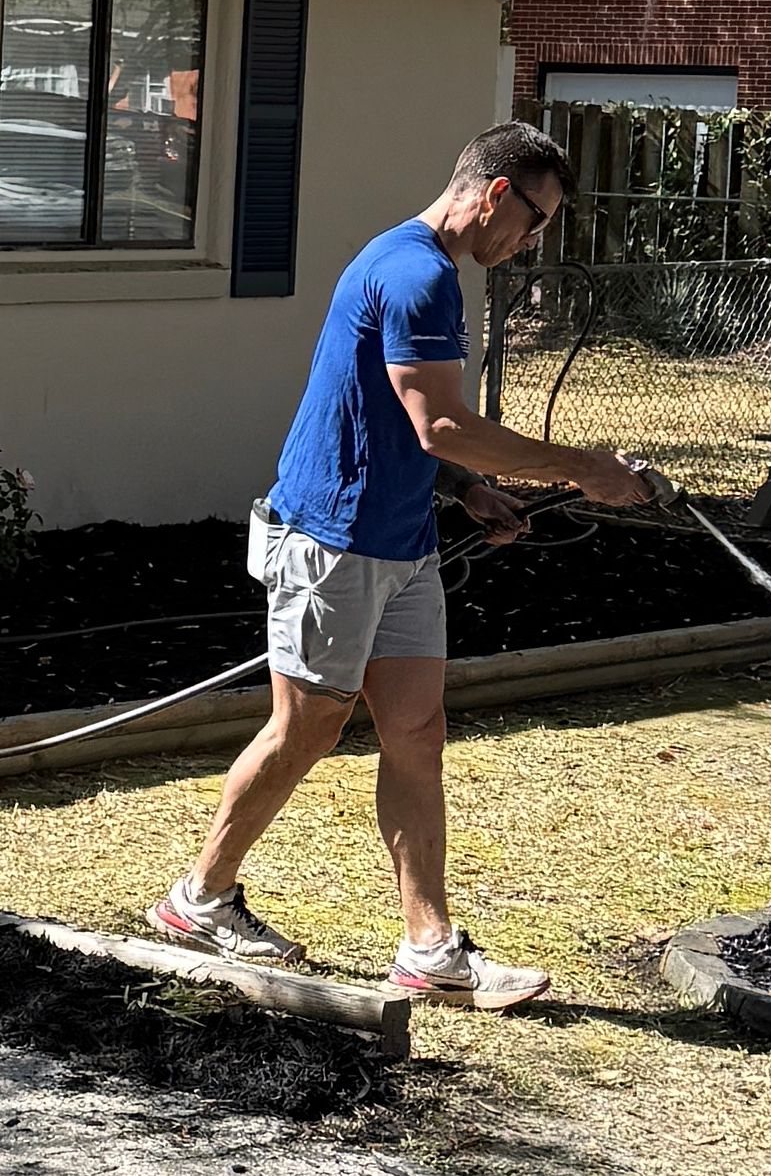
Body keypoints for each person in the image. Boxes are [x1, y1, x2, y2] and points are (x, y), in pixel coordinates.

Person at [150, 118, 658, 1003]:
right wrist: (587, 471)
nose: (533, 244)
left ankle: (430, 949)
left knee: (417, 734)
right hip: (333, 538)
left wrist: (464, 491)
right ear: (496, 194)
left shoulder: (425, 268)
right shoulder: (417, 272)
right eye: (535, 221)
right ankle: (201, 899)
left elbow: (404, 422)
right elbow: (442, 423)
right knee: (306, 728)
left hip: (403, 541)